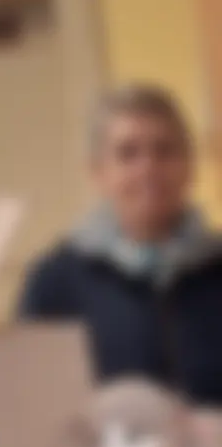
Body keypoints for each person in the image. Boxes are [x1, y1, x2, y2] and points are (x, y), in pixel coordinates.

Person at [19, 84, 222, 404]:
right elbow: (31, 405)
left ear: (189, 163)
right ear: (99, 172)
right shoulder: (55, 282)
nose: (148, 169)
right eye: (128, 153)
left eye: (164, 150)